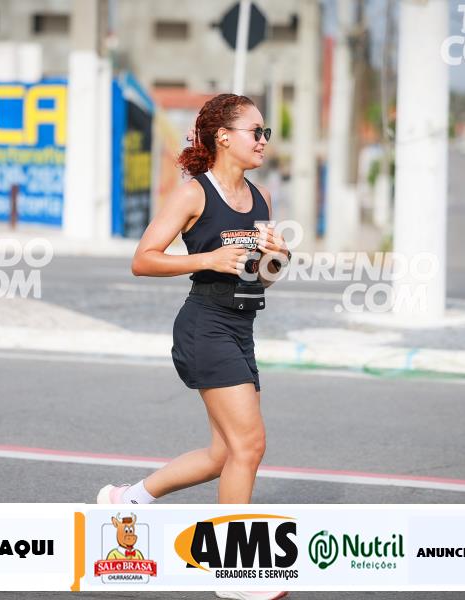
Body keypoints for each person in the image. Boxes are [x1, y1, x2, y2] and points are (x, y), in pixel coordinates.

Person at [97, 93, 290, 600]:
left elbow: (261, 277)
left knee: (223, 453)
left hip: (242, 326)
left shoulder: (262, 199)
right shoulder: (194, 194)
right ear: (224, 137)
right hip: (205, 326)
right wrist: (207, 259)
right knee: (249, 446)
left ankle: (129, 499)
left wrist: (277, 259)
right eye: (256, 131)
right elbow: (143, 259)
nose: (263, 140)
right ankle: (234, 572)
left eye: (265, 132)